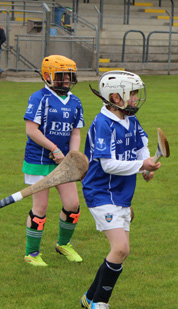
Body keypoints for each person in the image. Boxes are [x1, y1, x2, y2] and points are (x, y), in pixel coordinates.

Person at [81, 71, 161, 308]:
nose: (136, 98)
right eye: (132, 93)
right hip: (100, 192)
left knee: (120, 253)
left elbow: (141, 145)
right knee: (120, 248)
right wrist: (140, 166)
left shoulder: (131, 120)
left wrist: (146, 165)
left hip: (121, 194)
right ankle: (100, 303)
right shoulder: (103, 123)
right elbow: (107, 165)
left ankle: (89, 298)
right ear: (116, 97)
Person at [22, 55, 84, 266]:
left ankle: (63, 244)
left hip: (63, 163)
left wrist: (72, 156)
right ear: (48, 76)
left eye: (69, 75)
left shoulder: (75, 101)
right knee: (40, 207)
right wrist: (54, 148)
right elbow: (31, 130)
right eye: (61, 76)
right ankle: (31, 254)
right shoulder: (39, 98)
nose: (66, 80)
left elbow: (75, 132)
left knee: (73, 204)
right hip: (38, 160)